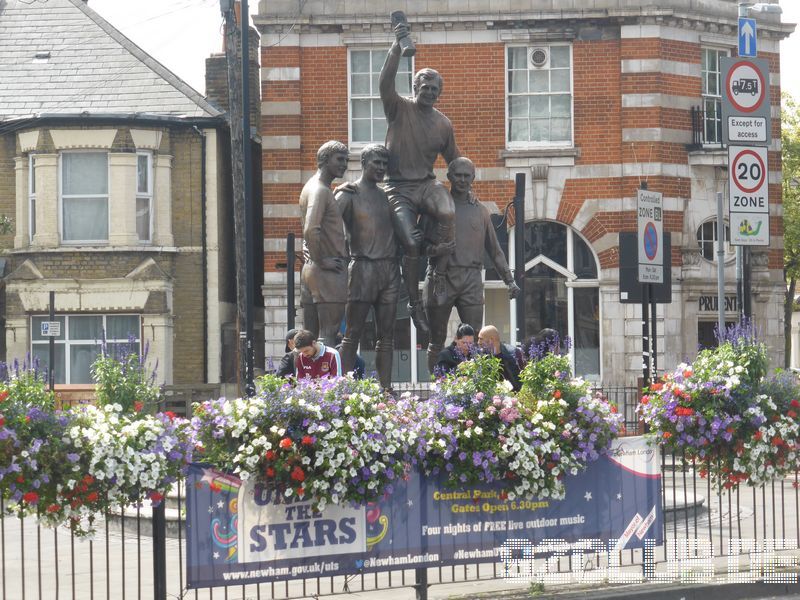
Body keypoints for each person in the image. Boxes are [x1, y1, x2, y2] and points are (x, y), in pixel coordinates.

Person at [379, 18, 461, 334]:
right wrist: (399, 45)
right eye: (424, 87)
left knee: (447, 211)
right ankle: (414, 304)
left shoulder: (443, 124)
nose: (428, 92)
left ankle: (437, 273)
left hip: (425, 184)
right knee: (411, 244)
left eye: (434, 89)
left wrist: (467, 189)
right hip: (397, 187)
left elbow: (454, 162)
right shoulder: (398, 108)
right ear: (415, 88)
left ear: (439, 93)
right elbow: (384, 82)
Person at [422, 157, 520, 373]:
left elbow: (495, 250)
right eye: (458, 175)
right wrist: (437, 251)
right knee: (436, 339)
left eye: (467, 176)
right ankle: (437, 388)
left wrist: (509, 280)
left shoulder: (481, 211)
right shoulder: (438, 207)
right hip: (442, 278)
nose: (463, 180)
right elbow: (421, 246)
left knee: (476, 339)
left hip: (472, 279)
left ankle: (475, 388)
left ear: (474, 178)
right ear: (449, 177)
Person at [335, 144, 399, 389]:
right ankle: (345, 389)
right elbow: (326, 221)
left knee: (387, 336)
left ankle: (386, 388)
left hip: (389, 271)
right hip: (362, 268)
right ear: (363, 163)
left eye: (385, 164)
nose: (382, 168)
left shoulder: (388, 197)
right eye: (377, 163)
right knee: (353, 333)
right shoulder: (349, 194)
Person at [299, 141, 349, 345]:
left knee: (307, 340)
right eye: (340, 159)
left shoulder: (313, 187)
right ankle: (326, 379)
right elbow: (311, 228)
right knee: (328, 335)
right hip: (327, 271)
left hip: (310, 270)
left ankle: (305, 378)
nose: (344, 164)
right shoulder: (320, 190)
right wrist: (322, 261)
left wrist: (337, 193)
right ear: (325, 160)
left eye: (346, 159)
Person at [477, 325, 522, 392]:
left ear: (491, 340)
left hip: (514, 398)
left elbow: (522, 376)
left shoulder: (513, 353)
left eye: (481, 339)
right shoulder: (482, 356)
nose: (478, 342)